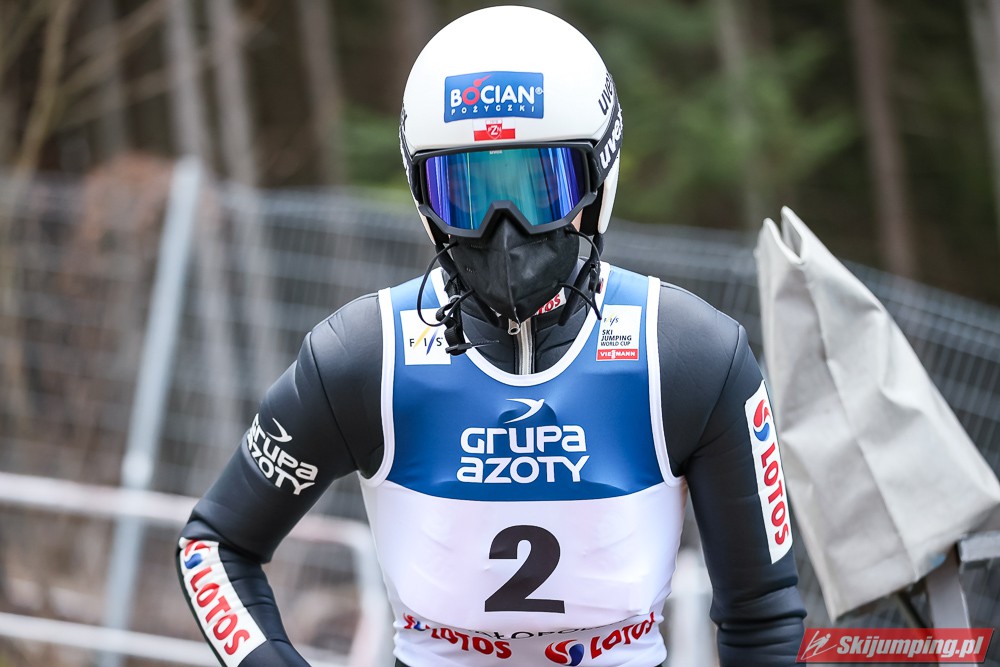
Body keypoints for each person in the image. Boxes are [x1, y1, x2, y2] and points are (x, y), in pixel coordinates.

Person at [176, 6, 806, 666]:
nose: (505, 231)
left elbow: (763, 614)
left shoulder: (692, 356)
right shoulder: (363, 357)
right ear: (425, 200)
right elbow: (215, 546)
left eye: (540, 186)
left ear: (598, 178)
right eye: (467, 193)